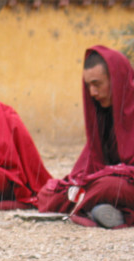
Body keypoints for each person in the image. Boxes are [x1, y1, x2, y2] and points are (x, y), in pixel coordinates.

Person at [37, 45, 134, 228]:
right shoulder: (103, 115)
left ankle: (95, 205)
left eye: (97, 84)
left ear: (117, 80)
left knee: (107, 186)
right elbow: (90, 165)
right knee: (49, 193)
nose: (92, 93)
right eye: (88, 86)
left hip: (122, 184)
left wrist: (112, 173)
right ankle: (100, 208)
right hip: (107, 182)